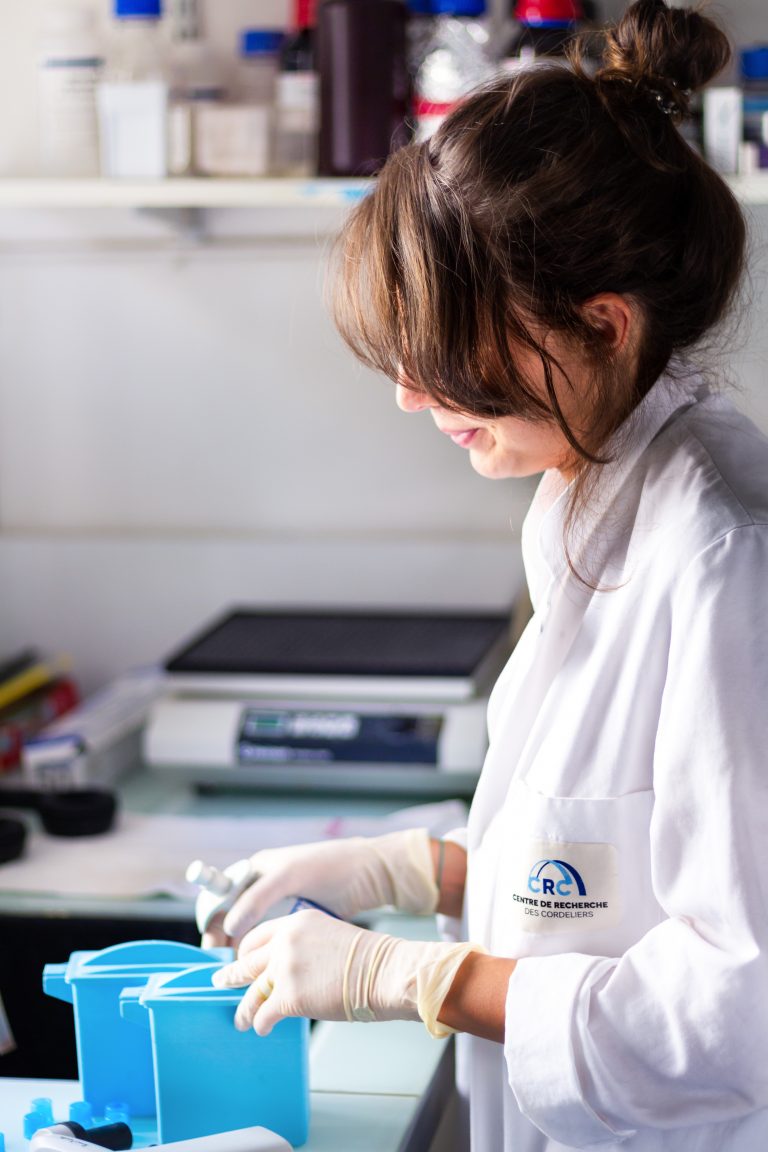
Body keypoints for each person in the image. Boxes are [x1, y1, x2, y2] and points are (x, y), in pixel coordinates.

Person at [206, 1, 768, 1147]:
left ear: (603, 328)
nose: (413, 395)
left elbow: (738, 1010)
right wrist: (416, 869)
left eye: (448, 353)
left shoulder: (724, 556)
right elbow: (605, 881)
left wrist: (418, 980)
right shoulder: (589, 482)